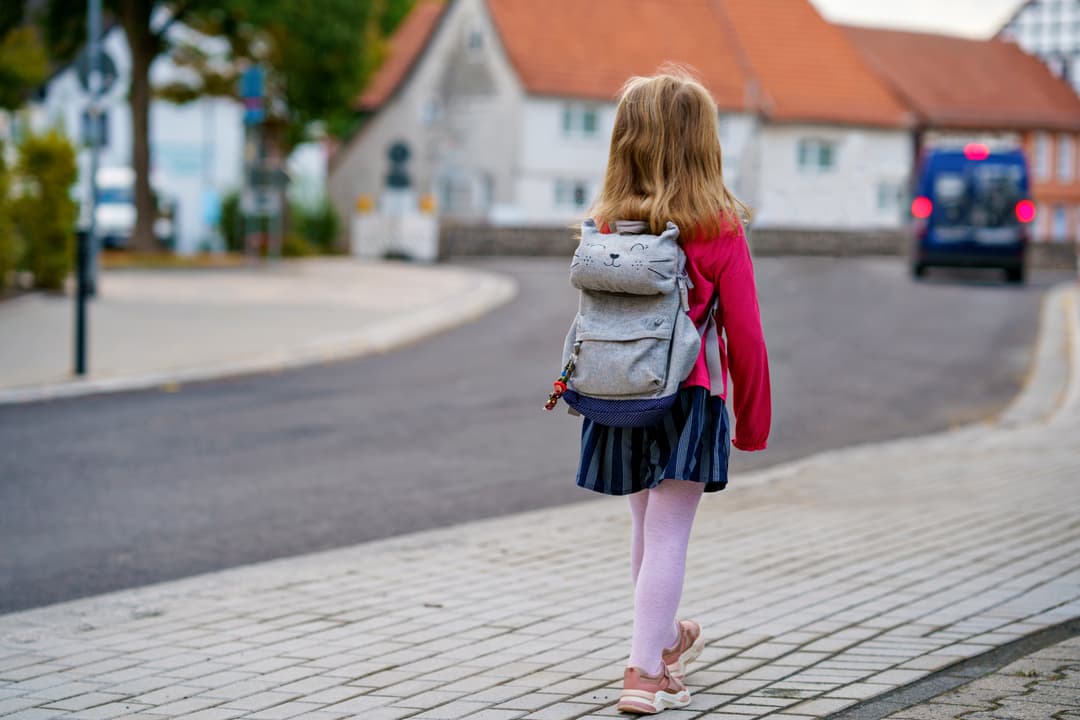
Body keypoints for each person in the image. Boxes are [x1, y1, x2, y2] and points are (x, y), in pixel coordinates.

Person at [573, 70, 772, 715]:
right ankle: (643, 673)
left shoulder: (606, 225)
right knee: (668, 535)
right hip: (688, 400)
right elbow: (746, 335)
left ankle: (663, 646)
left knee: (644, 527)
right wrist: (752, 423)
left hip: (620, 397)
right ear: (702, 143)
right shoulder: (717, 227)